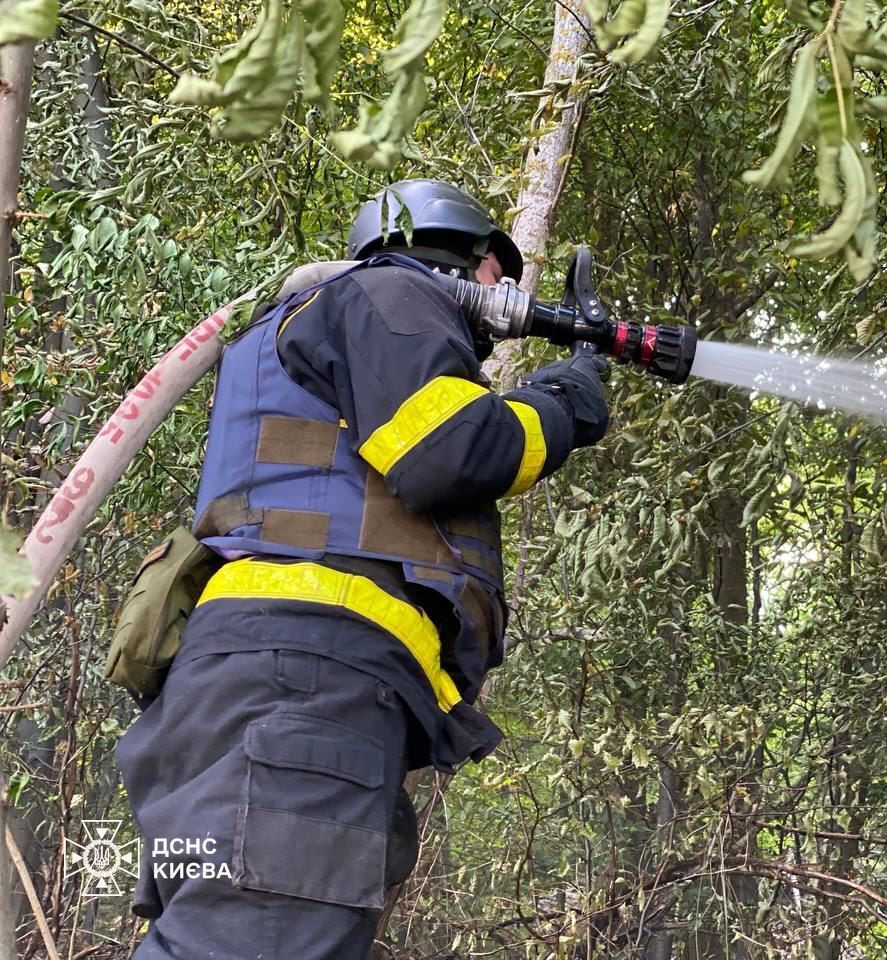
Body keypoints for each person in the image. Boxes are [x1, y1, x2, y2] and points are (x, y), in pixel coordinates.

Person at [116, 179, 611, 959]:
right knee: (260, 936)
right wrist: (566, 400)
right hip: (308, 677)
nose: (507, 298)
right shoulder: (393, 292)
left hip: (244, 687)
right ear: (464, 260)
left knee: (228, 929)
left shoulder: (303, 328)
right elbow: (446, 452)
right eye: (499, 275)